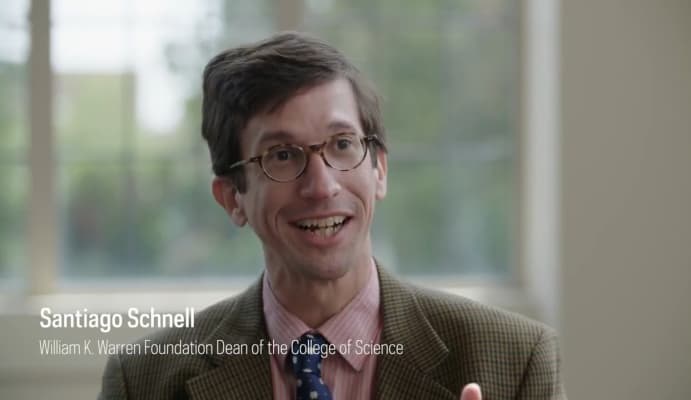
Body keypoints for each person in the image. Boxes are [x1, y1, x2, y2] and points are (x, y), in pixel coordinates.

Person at [99, 32, 565, 400]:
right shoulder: (144, 381)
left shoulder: (516, 362)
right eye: (282, 155)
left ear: (379, 169)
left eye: (343, 144)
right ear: (231, 198)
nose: (322, 186)